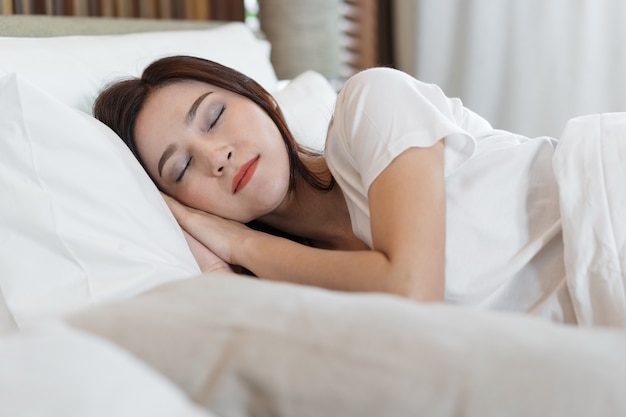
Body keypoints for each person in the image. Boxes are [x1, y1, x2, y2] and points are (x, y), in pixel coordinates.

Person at [94, 55, 576, 324]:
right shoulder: (296, 286)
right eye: (180, 168)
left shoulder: (370, 103)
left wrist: (236, 239)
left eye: (215, 116)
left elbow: (411, 290)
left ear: (261, 98)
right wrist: (219, 265)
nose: (216, 156)